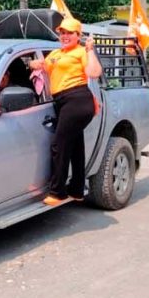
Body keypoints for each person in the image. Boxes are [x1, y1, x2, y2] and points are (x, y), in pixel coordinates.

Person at [29, 17, 103, 206]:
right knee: (76, 146)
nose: (65, 36)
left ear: (78, 35)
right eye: (62, 32)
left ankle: (58, 192)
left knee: (59, 145)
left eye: (70, 32)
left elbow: (94, 72)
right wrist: (32, 65)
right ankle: (77, 189)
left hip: (77, 100)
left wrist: (90, 49)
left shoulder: (81, 52)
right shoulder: (55, 53)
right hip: (62, 102)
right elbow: (42, 65)